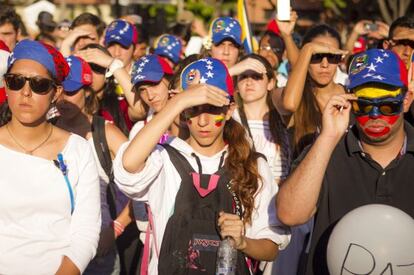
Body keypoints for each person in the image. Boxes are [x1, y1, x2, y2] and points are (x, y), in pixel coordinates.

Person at [114, 57, 290, 274]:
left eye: (213, 109)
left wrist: (243, 242)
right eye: (194, 110)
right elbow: (127, 167)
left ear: (229, 110)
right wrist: (177, 103)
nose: (203, 121)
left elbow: (271, 247)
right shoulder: (163, 158)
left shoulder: (253, 165)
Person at [277, 48, 414, 275]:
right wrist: (328, 137)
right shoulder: (326, 150)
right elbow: (290, 214)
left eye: (388, 105)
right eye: (364, 105)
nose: (375, 115)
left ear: (406, 100)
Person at [0, 39, 101, 274]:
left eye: (39, 85)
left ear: (55, 92)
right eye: (16, 82)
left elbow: (86, 232)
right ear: (6, 85)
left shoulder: (77, 150)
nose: (26, 92)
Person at [56, 55, 132, 274]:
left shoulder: (105, 133)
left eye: (71, 91)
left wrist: (116, 227)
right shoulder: (44, 129)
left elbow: (146, 184)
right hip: (55, 250)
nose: (63, 99)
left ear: (87, 92)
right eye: (59, 90)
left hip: (99, 253)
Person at [282, 24, 348, 157]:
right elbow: (289, 105)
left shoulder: (351, 95)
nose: (325, 64)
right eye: (316, 56)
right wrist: (308, 48)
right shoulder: (292, 96)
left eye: (332, 56)